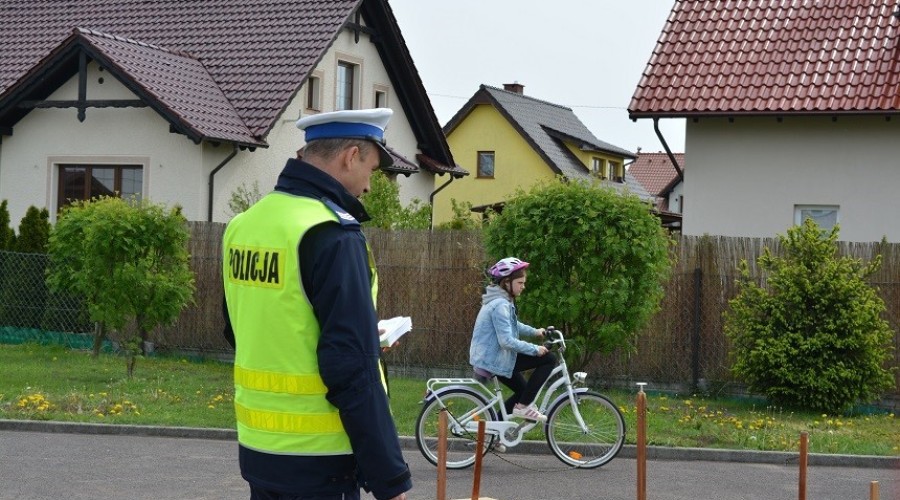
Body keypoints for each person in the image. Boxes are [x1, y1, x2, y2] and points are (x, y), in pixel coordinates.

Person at [222, 108, 411, 500]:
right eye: (372, 170)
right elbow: (351, 367)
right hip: (321, 459)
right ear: (351, 156)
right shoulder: (331, 233)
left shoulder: (243, 225)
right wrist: (390, 479)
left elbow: (241, 327)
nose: (369, 186)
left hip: (259, 450)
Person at [469, 257, 556, 421]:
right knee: (549, 359)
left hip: (490, 356)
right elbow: (506, 341)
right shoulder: (500, 304)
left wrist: (536, 332)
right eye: (520, 283)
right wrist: (535, 349)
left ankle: (494, 429)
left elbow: (513, 324)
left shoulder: (499, 300)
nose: (523, 286)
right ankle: (523, 408)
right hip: (494, 359)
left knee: (524, 392)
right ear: (507, 282)